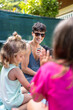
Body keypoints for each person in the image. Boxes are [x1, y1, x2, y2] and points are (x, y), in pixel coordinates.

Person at [28, 17, 73, 110]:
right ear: (33, 33)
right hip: (28, 77)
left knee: (31, 103)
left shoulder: (49, 68)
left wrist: (43, 70)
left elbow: (35, 97)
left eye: (42, 35)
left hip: (36, 82)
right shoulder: (27, 46)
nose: (39, 37)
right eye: (37, 34)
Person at [0, 32, 32, 110]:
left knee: (23, 91)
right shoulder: (16, 70)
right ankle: (18, 109)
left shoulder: (5, 67)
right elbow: (29, 87)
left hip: (6, 100)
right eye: (21, 56)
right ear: (13, 56)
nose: (23, 58)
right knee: (34, 98)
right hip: (13, 102)